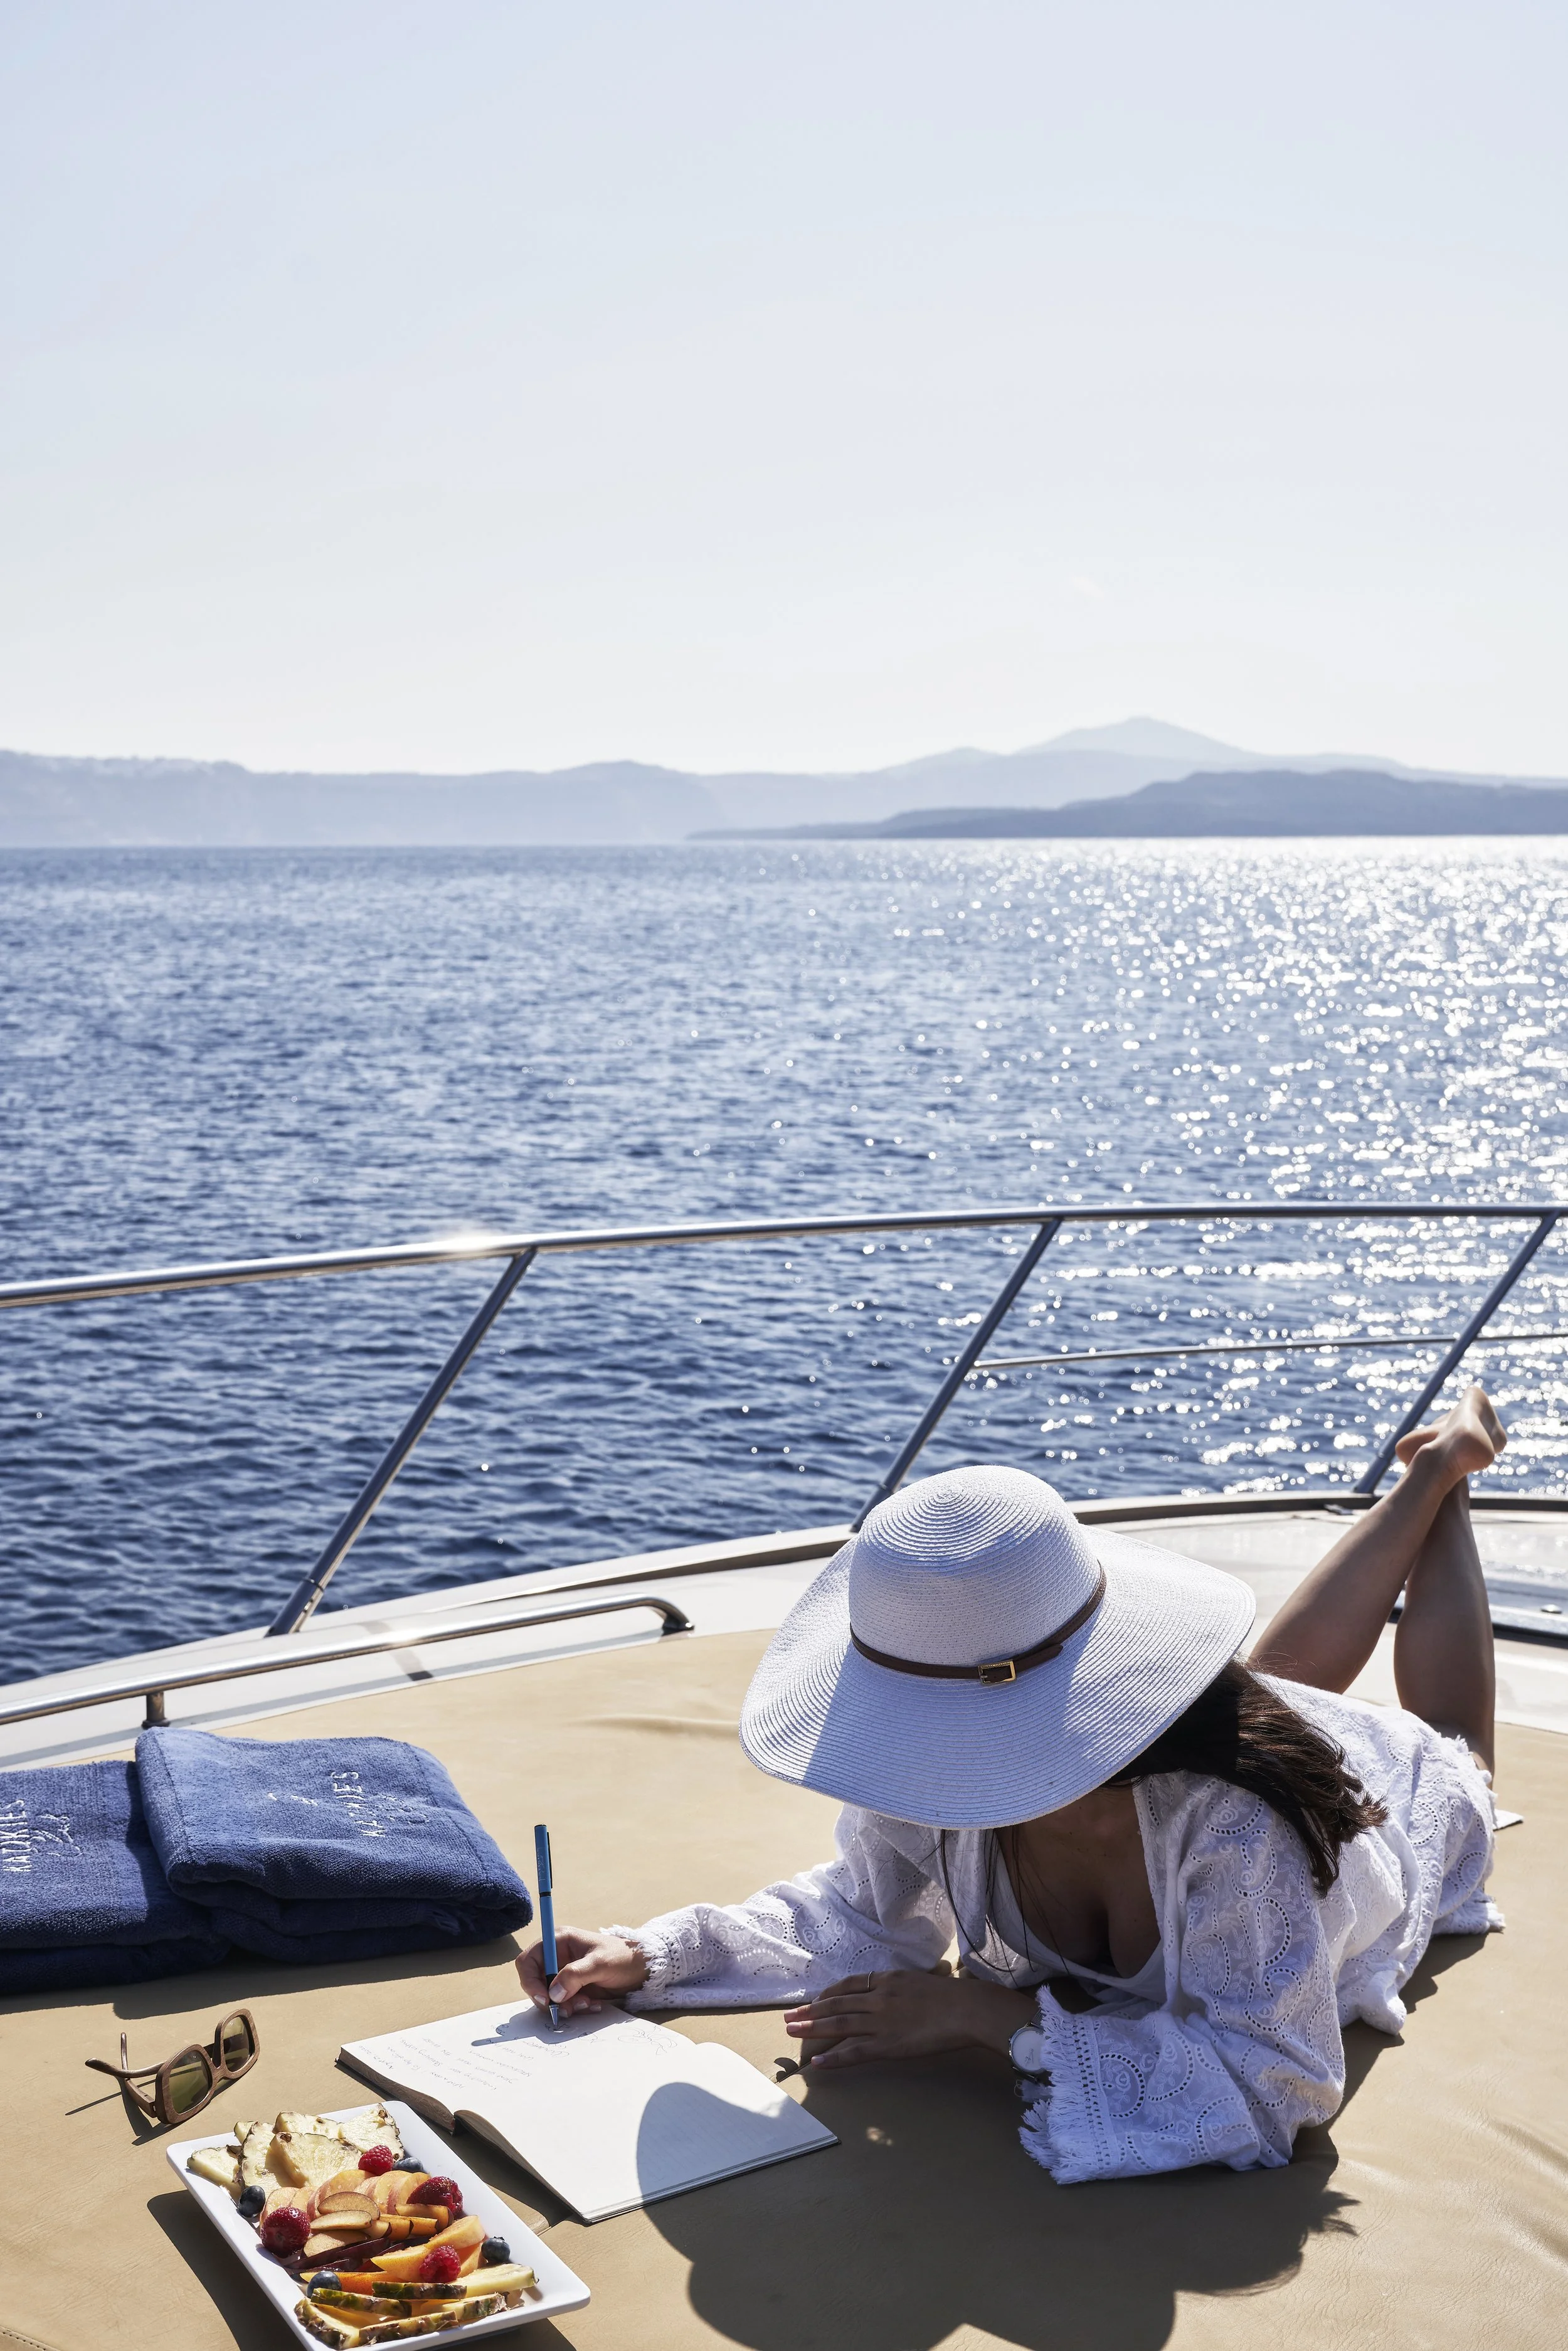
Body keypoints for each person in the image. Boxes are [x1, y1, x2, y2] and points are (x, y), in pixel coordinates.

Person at [516, 1389, 1505, 2185]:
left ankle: (1444, 1478)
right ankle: (1427, 1474)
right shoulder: (931, 1772)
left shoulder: (1237, 1835)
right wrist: (652, 1957)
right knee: (1273, 1684)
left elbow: (1273, 2086)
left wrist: (991, 2022)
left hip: (1380, 1804)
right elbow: (858, 1911)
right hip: (1203, 1744)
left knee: (1454, 1753)